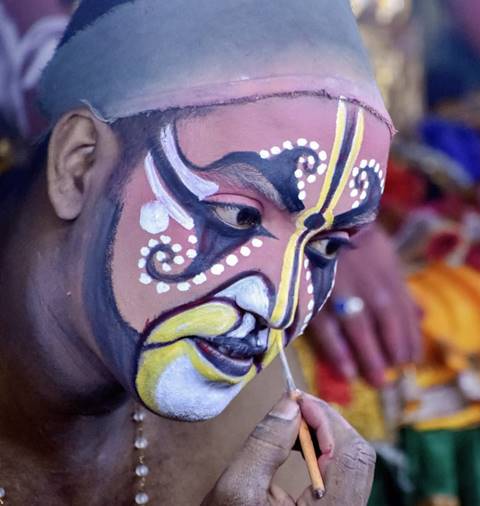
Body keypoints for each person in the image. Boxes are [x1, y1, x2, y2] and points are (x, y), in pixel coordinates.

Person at [0, 0, 392, 503]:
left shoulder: (268, 421)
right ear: (80, 166)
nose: (279, 308)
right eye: (238, 217)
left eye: (326, 246)